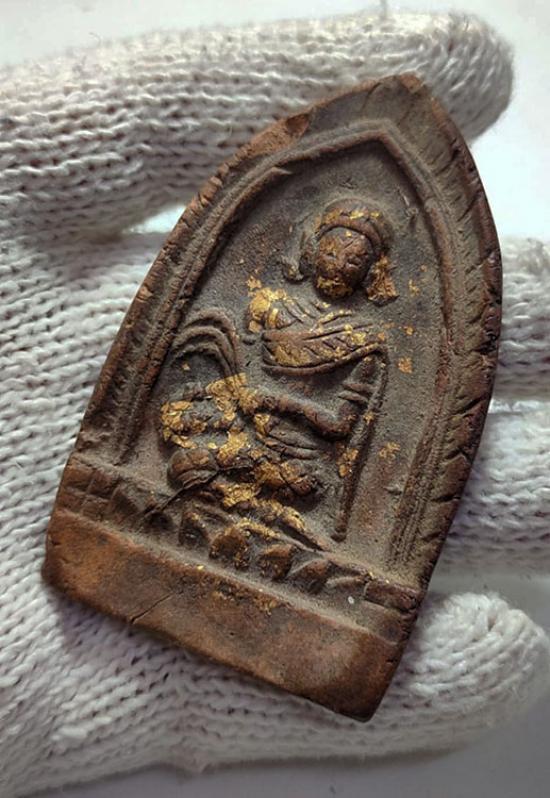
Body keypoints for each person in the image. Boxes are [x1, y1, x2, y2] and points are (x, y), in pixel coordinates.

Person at [0, 7, 549, 797]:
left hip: (290, 460)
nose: (342, 262)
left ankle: (251, 543)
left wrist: (275, 410)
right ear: (312, 247)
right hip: (231, 434)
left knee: (289, 491)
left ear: (370, 271)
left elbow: (339, 426)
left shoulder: (365, 343)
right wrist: (239, 398)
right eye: (334, 246)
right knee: (185, 450)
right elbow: (209, 378)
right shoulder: (265, 305)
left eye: (357, 256)